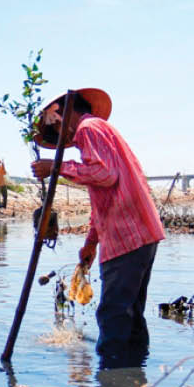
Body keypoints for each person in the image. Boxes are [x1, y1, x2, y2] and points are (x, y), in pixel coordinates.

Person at [30, 88, 165, 370]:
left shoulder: (88, 128)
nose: (62, 134)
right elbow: (102, 196)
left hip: (127, 235)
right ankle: (135, 377)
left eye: (56, 125)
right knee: (131, 314)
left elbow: (105, 174)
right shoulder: (100, 130)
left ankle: (113, 379)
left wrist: (56, 167)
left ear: (63, 113)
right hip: (141, 232)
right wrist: (91, 242)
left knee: (113, 315)